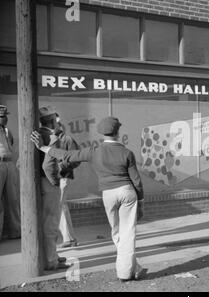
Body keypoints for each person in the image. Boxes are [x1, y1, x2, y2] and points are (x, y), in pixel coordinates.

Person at [31, 116, 146, 282]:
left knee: (116, 233)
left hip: (108, 194)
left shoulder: (94, 152)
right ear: (118, 132)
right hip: (127, 192)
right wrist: (141, 202)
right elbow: (136, 181)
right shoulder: (127, 153)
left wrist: (42, 147)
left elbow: (66, 155)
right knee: (128, 233)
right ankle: (126, 272)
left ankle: (131, 268)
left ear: (102, 133)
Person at [37, 106, 71, 270]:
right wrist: (56, 181)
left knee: (46, 222)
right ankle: (51, 261)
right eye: (55, 120)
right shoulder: (51, 137)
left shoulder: (37, 134)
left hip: (41, 183)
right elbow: (48, 165)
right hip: (49, 183)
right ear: (51, 121)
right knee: (51, 224)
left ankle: (53, 256)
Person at [53, 113, 80, 248]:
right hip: (51, 178)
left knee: (60, 206)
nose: (52, 126)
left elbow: (76, 158)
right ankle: (70, 238)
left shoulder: (68, 139)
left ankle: (69, 239)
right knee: (59, 206)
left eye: (54, 123)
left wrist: (62, 166)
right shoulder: (47, 139)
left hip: (63, 177)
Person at [0, 105, 20, 240]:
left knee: (13, 199)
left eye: (5, 115)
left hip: (9, 163)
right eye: (2, 116)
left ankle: (16, 231)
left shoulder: (7, 131)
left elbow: (11, 144)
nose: (5, 118)